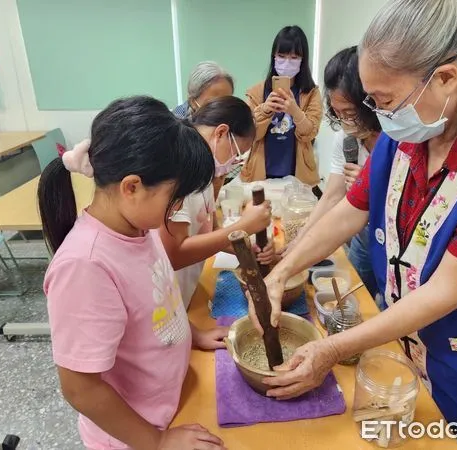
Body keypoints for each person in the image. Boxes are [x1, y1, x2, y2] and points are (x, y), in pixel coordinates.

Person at [251, 1, 457, 449]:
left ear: (445, 78)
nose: (379, 114)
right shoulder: (409, 133)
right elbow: (351, 210)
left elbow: (446, 290)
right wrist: (280, 273)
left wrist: (330, 349)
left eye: (385, 100)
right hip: (411, 346)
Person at [40, 96, 227, 450]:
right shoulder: (86, 265)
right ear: (132, 187)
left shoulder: (140, 227)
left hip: (171, 405)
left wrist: (191, 333)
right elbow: (80, 388)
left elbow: (158, 302)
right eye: (174, 199)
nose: (176, 210)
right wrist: (156, 441)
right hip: (133, 437)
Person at [160, 96, 274, 308]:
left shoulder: (205, 174)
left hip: (185, 297)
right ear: (221, 133)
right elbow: (173, 254)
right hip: (165, 305)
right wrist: (245, 226)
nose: (232, 163)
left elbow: (210, 232)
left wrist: (247, 248)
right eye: (236, 154)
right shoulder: (178, 171)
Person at [289, 46, 382, 301]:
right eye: (338, 113)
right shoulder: (348, 140)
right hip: (363, 238)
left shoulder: (395, 141)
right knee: (354, 298)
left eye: (350, 114)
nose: (345, 121)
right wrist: (301, 238)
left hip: (391, 241)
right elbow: (331, 196)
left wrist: (373, 187)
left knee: (386, 306)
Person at [241, 25, 322, 186]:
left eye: (294, 57)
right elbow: (251, 135)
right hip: (261, 171)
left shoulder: (311, 93)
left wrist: (295, 111)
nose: (287, 62)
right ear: (274, 57)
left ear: (303, 60)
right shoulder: (257, 92)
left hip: (298, 174)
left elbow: (309, 134)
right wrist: (265, 110)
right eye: (281, 56)